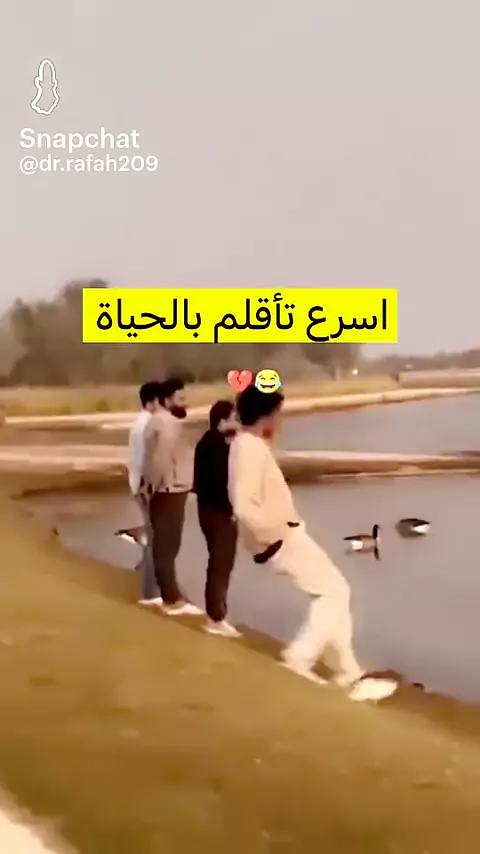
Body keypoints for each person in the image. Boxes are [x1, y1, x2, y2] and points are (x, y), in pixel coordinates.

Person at [228, 385, 398, 703]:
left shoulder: (247, 445)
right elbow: (242, 505)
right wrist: (274, 531)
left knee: (335, 592)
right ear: (266, 416)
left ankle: (348, 671)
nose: (280, 422)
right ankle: (300, 657)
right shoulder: (249, 448)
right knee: (335, 592)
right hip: (279, 538)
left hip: (279, 536)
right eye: (278, 415)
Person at [142, 377, 202, 617]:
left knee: (168, 545)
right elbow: (161, 457)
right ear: (166, 400)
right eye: (180, 398)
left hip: (172, 488)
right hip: (169, 489)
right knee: (166, 545)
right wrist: (155, 485)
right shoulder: (164, 422)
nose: (184, 402)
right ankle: (170, 599)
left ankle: (171, 594)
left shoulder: (166, 421)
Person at [193, 400, 240, 638]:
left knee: (220, 563)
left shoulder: (210, 442)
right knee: (220, 564)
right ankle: (215, 618)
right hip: (217, 513)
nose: (237, 423)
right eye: (234, 419)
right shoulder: (216, 446)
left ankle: (217, 613)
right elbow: (223, 483)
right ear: (222, 421)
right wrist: (234, 510)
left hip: (210, 510)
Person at [127, 381, 164, 607]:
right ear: (153, 401)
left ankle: (149, 580)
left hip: (140, 485)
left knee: (153, 535)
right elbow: (147, 461)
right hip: (145, 487)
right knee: (154, 538)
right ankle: (151, 592)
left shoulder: (141, 422)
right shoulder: (148, 425)